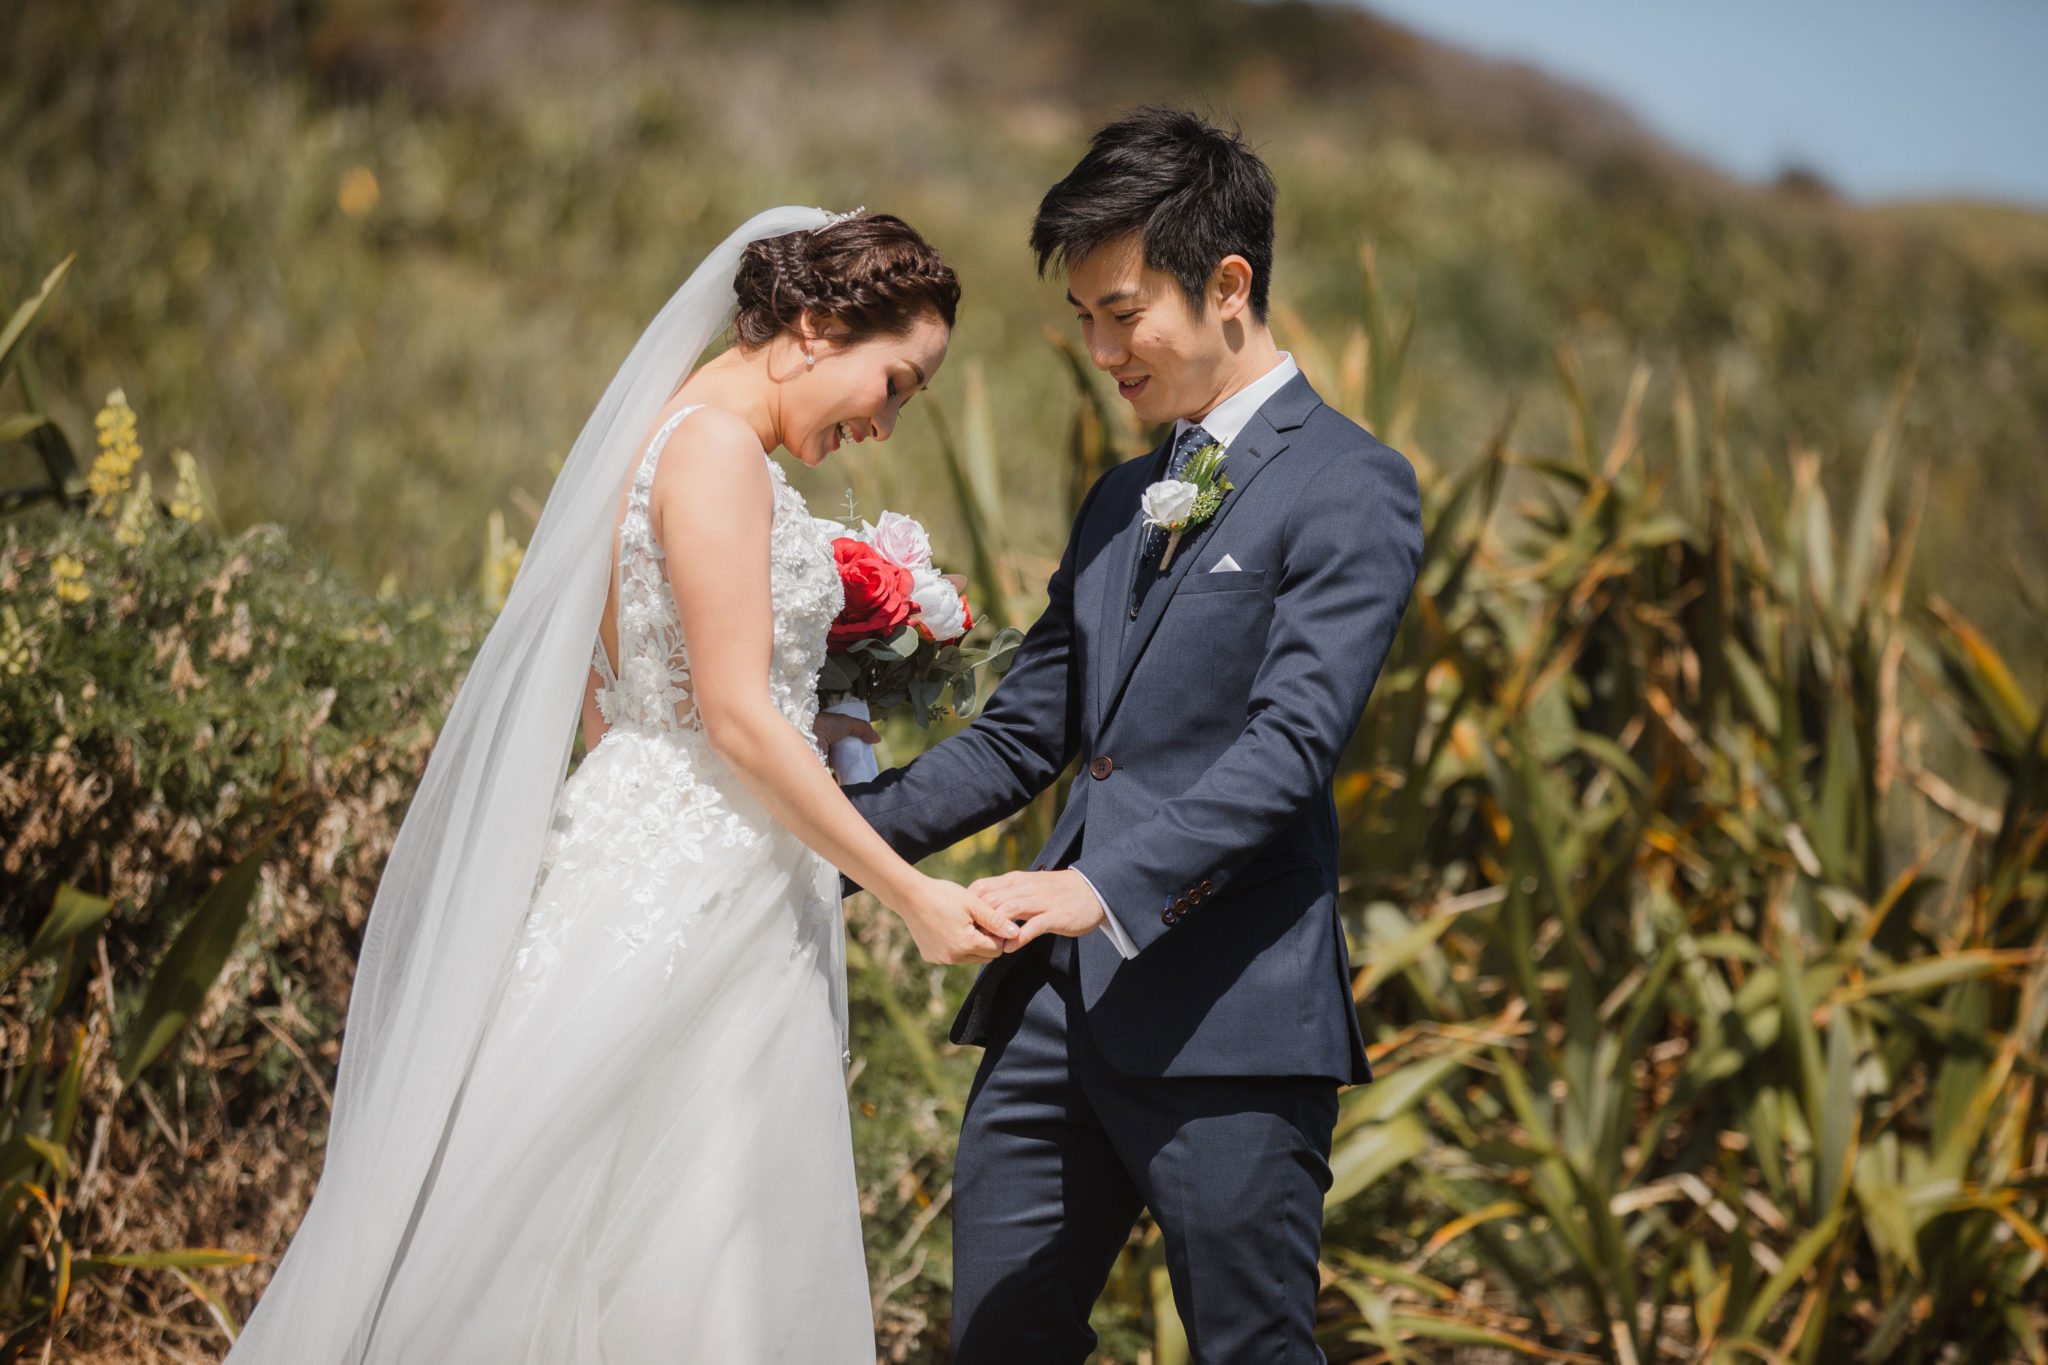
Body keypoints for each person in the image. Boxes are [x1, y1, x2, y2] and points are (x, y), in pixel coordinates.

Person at [223, 208, 1011, 1364]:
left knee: (611, 1220)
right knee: (685, 1237)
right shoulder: (714, 452)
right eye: (892, 383)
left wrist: (812, 720)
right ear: (811, 326)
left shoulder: (665, 434)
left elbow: (617, 699)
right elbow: (739, 720)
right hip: (693, 891)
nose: (884, 424)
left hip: (651, 852)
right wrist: (913, 894)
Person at [842, 109, 1424, 1364]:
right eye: (1084, 318)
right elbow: (1022, 737)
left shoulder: (1351, 485)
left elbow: (1289, 748)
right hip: (1051, 1017)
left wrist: (1092, 886)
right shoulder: (1122, 493)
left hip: (1232, 1018)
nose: (1100, 349)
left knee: (1249, 1350)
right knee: (998, 1342)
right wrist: (831, 835)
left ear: (1228, 285)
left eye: (1123, 312)